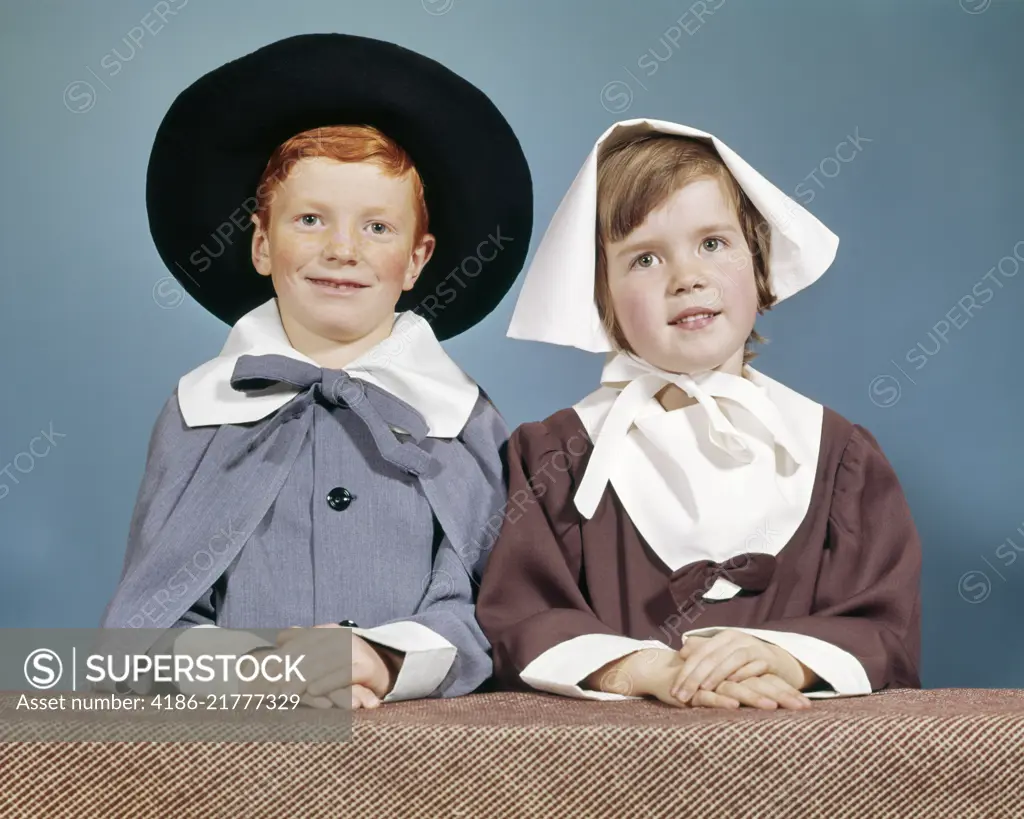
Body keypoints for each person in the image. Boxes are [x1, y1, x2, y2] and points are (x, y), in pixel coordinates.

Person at [101, 33, 533, 709]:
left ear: (418, 258)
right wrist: (264, 668)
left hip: (424, 745)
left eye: (377, 228)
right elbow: (148, 623)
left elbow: (486, 609)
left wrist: (379, 661)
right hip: (238, 742)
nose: (342, 250)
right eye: (310, 219)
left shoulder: (462, 417)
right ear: (262, 242)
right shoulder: (199, 411)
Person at [477, 119, 920, 710]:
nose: (687, 278)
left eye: (713, 244)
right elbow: (518, 620)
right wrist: (645, 668)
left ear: (759, 262)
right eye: (644, 259)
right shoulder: (554, 459)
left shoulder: (839, 456)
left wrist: (784, 657)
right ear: (599, 297)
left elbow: (886, 627)